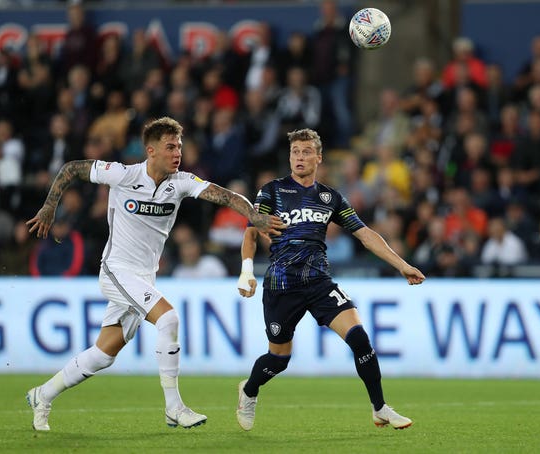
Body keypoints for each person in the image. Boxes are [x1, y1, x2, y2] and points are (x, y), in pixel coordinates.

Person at [24, 117, 285, 432]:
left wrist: (256, 217)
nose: (177, 153)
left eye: (179, 146)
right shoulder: (122, 174)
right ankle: (174, 407)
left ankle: (43, 395)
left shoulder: (181, 182)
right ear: (151, 151)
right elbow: (71, 168)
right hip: (117, 271)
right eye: (170, 147)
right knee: (169, 319)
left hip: (144, 278)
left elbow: (227, 196)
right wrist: (50, 206)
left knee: (103, 354)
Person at [235, 128, 425, 431]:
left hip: (319, 282)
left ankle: (380, 408)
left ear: (319, 158)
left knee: (360, 338)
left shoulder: (330, 198)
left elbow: (365, 234)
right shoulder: (272, 191)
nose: (299, 157)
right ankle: (249, 390)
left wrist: (402, 265)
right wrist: (246, 271)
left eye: (306, 151)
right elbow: (251, 231)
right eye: (295, 151)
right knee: (279, 358)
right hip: (281, 285)